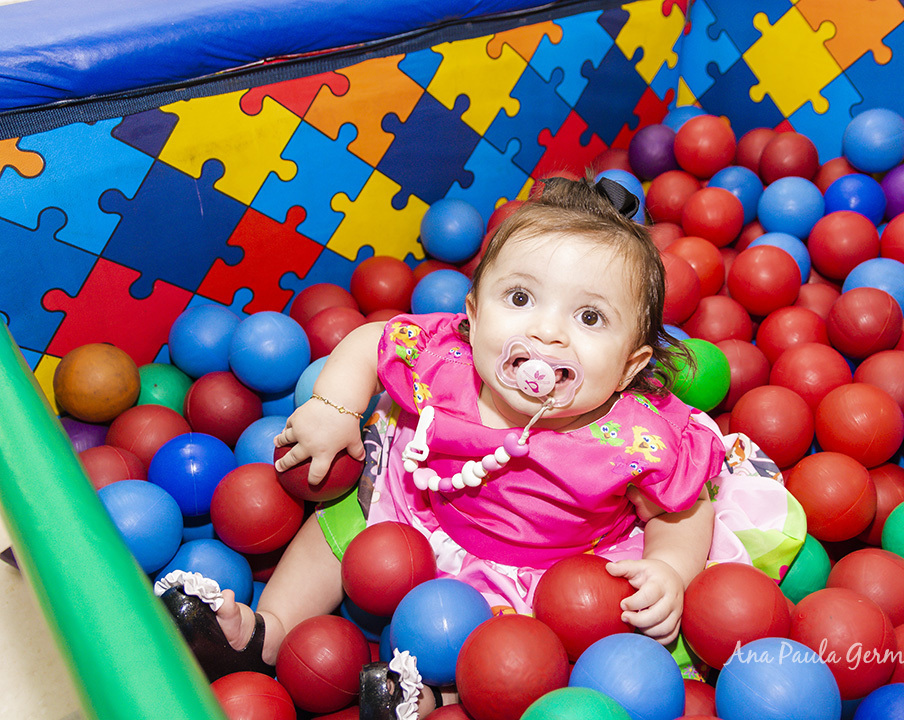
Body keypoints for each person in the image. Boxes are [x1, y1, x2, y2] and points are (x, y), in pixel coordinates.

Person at [158, 177, 804, 719]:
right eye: (520, 298)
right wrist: (332, 408)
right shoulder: (446, 361)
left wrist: (669, 571)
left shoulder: (640, 435)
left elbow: (679, 508)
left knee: (521, 656)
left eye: (589, 318)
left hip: (554, 573)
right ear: (472, 314)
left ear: (632, 366)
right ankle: (265, 633)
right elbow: (368, 342)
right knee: (342, 527)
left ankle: (428, 695)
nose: (547, 331)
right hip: (425, 509)